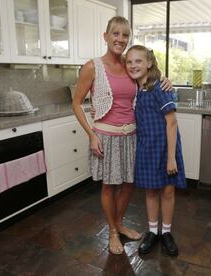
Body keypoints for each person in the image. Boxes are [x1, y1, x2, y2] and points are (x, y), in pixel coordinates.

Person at [72, 16, 172, 255]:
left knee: (128, 186)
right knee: (109, 188)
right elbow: (76, 103)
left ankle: (119, 224)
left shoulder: (129, 66)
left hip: (131, 136)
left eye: (125, 35)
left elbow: (149, 78)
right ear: (105, 37)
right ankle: (113, 232)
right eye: (115, 34)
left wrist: (165, 80)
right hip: (105, 137)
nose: (120, 39)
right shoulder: (92, 67)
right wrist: (91, 135)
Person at [125, 45, 186, 256]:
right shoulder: (134, 89)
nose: (133, 65)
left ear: (149, 63)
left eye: (138, 61)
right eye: (129, 62)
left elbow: (172, 123)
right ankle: (152, 232)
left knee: (168, 190)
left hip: (166, 148)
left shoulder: (159, 87)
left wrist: (171, 158)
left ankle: (166, 233)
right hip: (146, 147)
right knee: (150, 190)